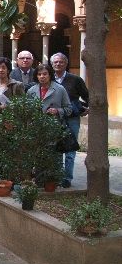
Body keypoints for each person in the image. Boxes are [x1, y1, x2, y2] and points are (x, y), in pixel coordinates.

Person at [50, 52, 89, 188]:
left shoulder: (75, 79)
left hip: (71, 118)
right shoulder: (50, 79)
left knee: (70, 149)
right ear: (52, 64)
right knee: (55, 148)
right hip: (54, 118)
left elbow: (87, 96)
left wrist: (86, 109)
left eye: (61, 62)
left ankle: (67, 178)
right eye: (55, 62)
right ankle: (56, 176)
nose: (58, 64)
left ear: (66, 64)